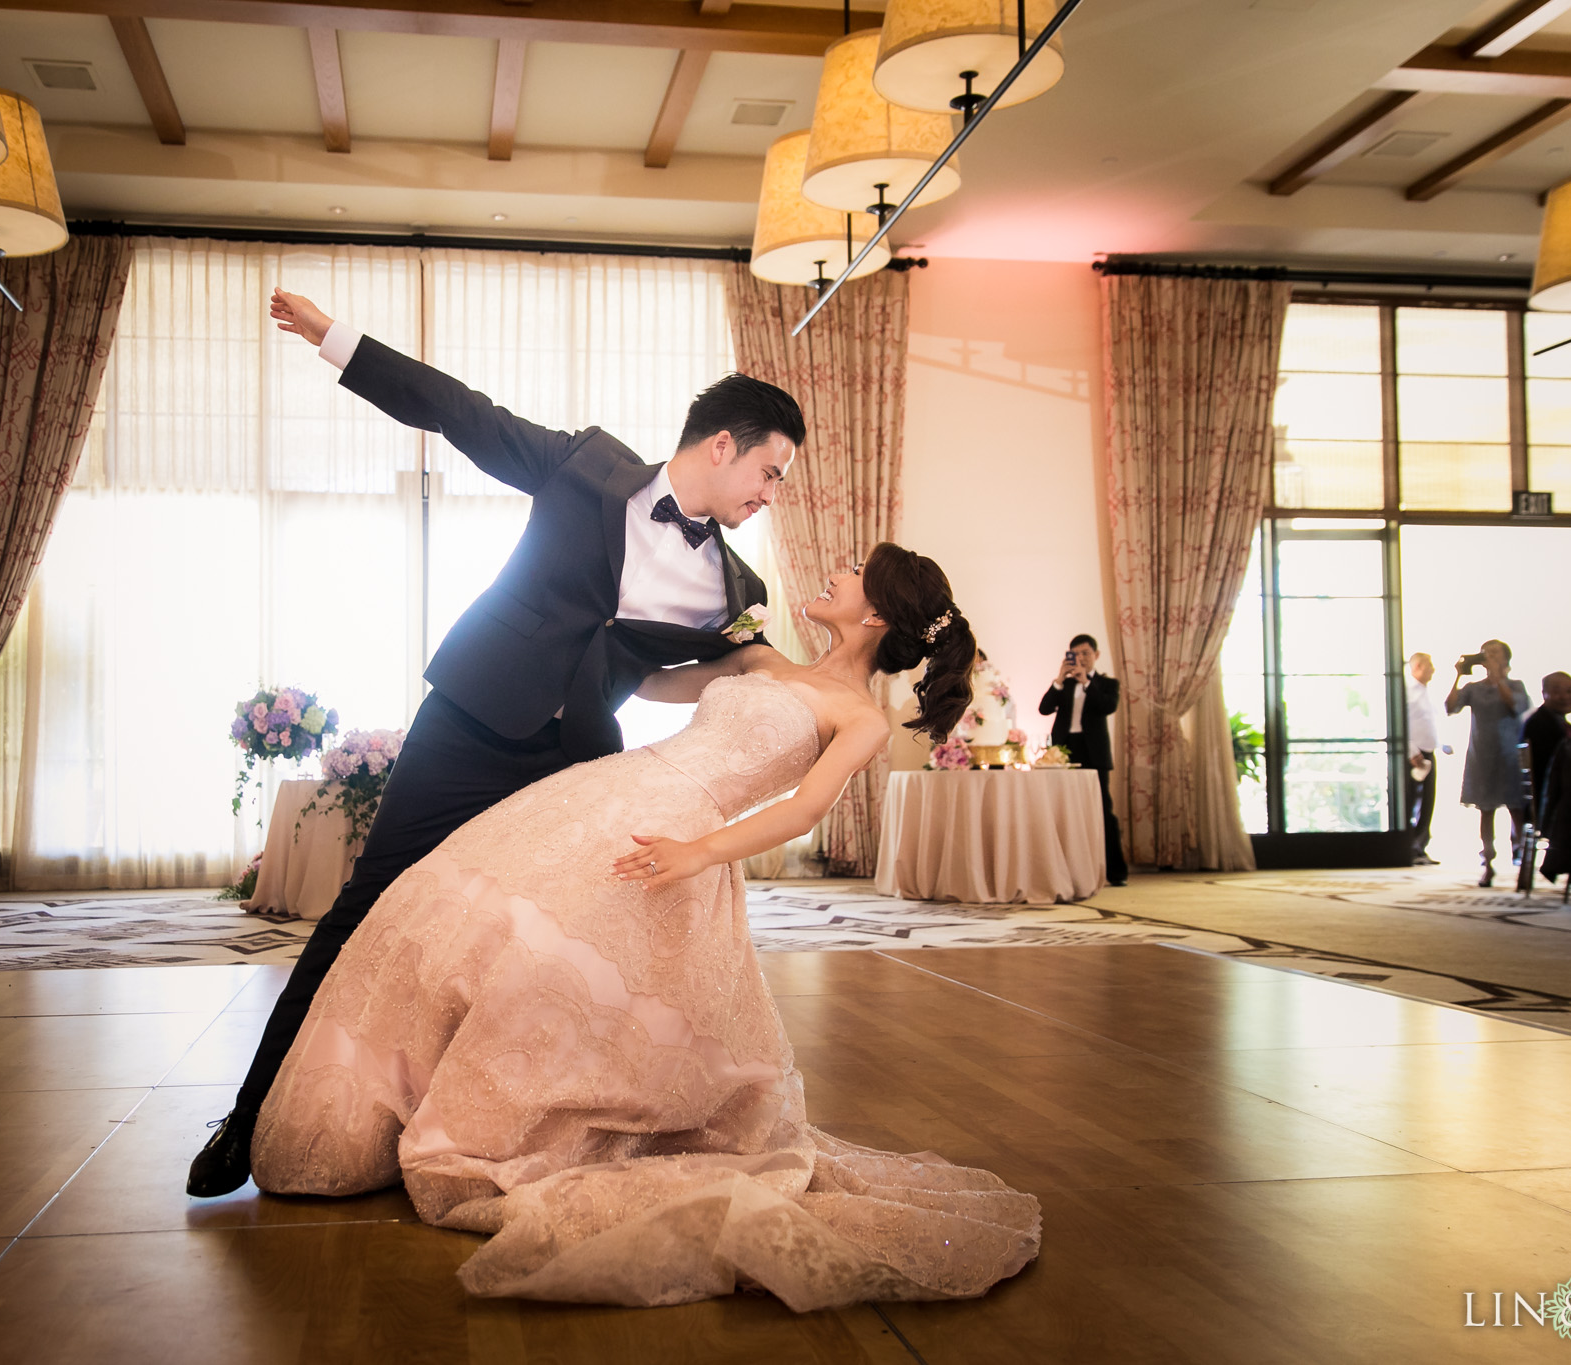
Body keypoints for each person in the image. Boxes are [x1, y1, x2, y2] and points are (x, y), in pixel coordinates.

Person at [250, 545, 1041, 1309]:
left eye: (855, 570)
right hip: (610, 792)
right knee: (460, 914)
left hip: (686, 838)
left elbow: (803, 809)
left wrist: (697, 851)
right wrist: (626, 622)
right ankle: (374, 1108)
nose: (837, 571)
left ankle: (502, 1115)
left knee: (555, 968)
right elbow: (649, 682)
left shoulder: (859, 717)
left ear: (876, 612)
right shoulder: (761, 659)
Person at [187, 289, 802, 1198]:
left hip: (575, 766)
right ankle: (249, 1114)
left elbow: (692, 669)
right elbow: (461, 411)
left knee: (536, 947)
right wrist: (337, 340)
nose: (770, 493)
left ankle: (504, 1122)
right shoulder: (585, 467)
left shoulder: (733, 583)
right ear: (724, 444)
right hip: (473, 720)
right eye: (772, 470)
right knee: (369, 904)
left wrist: (801, 673)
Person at [1443, 639, 1531, 887]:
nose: (1488, 656)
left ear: (1505, 658)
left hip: (1509, 754)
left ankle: (1523, 860)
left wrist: (1498, 677)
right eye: (1485, 653)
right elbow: (1450, 707)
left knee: (1516, 809)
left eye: (1494, 653)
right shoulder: (1474, 688)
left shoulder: (1516, 685)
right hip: (1482, 755)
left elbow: (1516, 707)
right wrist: (1458, 677)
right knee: (1486, 809)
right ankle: (1488, 863)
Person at [1040, 634, 1126, 885]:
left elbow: (1106, 706)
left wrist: (1086, 681)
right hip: (1064, 752)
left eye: (1086, 653)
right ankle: (1064, 871)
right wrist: (1059, 679)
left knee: (1103, 811)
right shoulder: (1064, 685)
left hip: (1094, 753)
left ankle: (1116, 872)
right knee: (1064, 811)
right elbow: (1044, 709)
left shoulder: (1107, 683)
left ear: (1096, 655)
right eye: (1075, 654)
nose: (1081, 658)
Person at [1522, 671, 1571, 827]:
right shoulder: (1538, 724)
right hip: (1551, 798)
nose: (1564, 697)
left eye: (1569, 691)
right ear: (1544, 693)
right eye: (1556, 692)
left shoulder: (1562, 723)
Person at [1405, 652, 1444, 866]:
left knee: (1427, 803)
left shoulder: (1426, 693)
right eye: (1430, 664)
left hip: (1428, 752)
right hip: (1414, 755)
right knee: (1413, 801)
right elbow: (1401, 723)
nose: (1433, 669)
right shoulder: (1408, 691)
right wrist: (1411, 751)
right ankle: (1409, 847)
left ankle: (1419, 847)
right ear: (1418, 666)